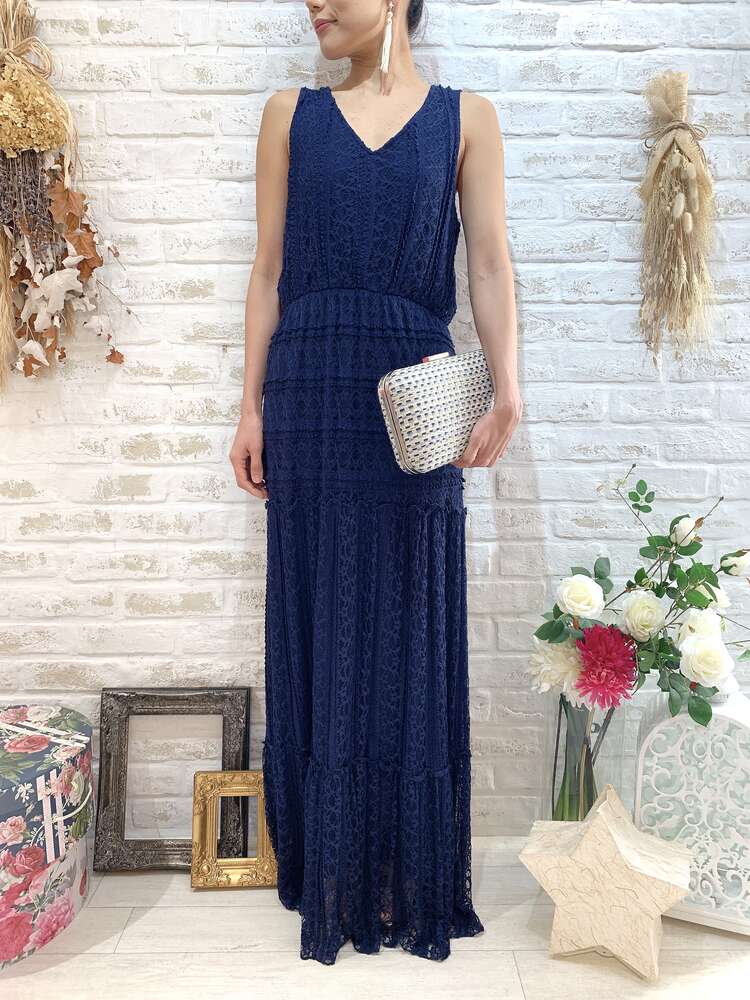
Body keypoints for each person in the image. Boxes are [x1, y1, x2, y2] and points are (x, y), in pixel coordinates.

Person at [229, 0, 522, 966]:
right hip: (309, 386)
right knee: (321, 613)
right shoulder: (290, 115)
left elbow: (489, 264)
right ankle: (328, 866)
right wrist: (248, 409)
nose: (314, 4)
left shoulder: (466, 118)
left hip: (415, 394)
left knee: (406, 617)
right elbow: (267, 271)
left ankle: (403, 867)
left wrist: (508, 389)